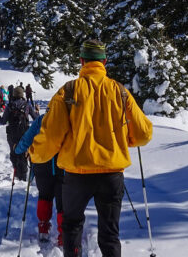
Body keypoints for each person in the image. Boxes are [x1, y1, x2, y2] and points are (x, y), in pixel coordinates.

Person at [30, 39, 153, 257]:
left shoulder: (68, 92)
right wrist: (125, 141)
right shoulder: (120, 91)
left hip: (77, 175)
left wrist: (35, 154)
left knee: (71, 226)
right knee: (110, 234)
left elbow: (51, 137)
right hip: (112, 174)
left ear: (82, 61)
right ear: (104, 62)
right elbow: (144, 133)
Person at [16, 109, 64, 246]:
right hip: (62, 166)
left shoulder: (42, 119)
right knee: (63, 201)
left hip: (41, 165)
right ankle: (64, 235)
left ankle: (43, 228)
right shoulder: (67, 119)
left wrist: (18, 149)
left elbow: (27, 137)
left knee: (44, 196)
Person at [0, 85, 38, 180]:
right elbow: (36, 119)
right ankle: (23, 174)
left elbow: (3, 121)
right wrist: (37, 111)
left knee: (14, 152)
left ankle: (16, 171)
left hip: (12, 133)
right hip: (25, 133)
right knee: (23, 153)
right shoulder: (27, 105)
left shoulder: (9, 106)